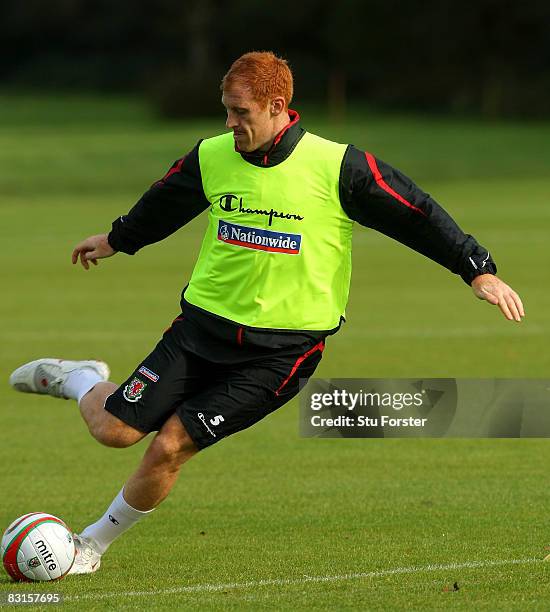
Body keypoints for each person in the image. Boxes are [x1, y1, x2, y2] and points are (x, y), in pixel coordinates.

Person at [9, 51, 524, 575]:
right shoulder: (212, 156)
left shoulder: (337, 166)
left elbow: (416, 211)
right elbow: (165, 201)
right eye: (226, 112)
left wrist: (475, 268)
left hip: (280, 355)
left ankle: (90, 547)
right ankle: (79, 379)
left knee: (172, 443)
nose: (230, 123)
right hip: (199, 331)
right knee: (114, 430)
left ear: (278, 106)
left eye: (240, 112)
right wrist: (117, 239)